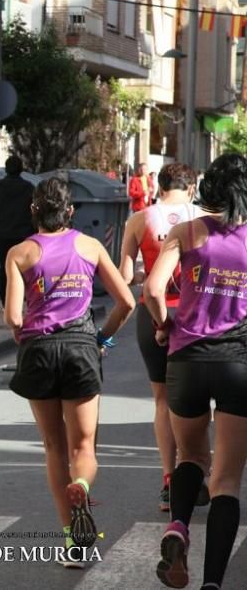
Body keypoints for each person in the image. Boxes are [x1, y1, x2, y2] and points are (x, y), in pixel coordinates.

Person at [3, 176, 135, 568]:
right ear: (71, 212)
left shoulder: (20, 253)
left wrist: (24, 335)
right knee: (84, 448)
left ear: (33, 211)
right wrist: (102, 340)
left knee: (54, 448)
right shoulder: (90, 246)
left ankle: (72, 544)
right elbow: (126, 301)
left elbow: (12, 316)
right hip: (81, 347)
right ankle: (82, 485)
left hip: (39, 351)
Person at [145, 153, 247, 589]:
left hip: (185, 360)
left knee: (190, 457)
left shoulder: (186, 233)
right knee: (225, 478)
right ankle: (212, 584)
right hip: (237, 364)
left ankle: (178, 529)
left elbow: (152, 288)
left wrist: (164, 325)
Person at [119, 163, 209, 512]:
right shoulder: (202, 216)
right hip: (193, 314)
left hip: (153, 314)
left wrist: (145, 269)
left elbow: (127, 275)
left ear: (159, 185)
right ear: (190, 188)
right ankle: (198, 474)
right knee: (197, 400)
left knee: (162, 401)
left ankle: (169, 481)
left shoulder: (139, 219)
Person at [0, 155, 35, 304]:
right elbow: (34, 211)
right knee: (25, 268)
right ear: (21, 169)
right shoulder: (29, 188)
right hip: (24, 235)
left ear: (6, 169)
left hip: (4, 235)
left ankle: (5, 300)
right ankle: (24, 299)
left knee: (5, 268)